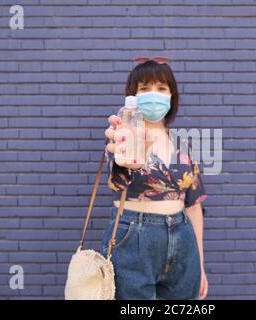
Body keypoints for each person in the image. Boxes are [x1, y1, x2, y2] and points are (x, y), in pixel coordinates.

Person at [101, 56, 208, 300]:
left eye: (161, 88)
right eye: (145, 88)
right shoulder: (122, 135)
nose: (153, 94)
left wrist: (200, 262)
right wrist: (125, 156)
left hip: (183, 239)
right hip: (134, 237)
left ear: (171, 96)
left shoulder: (184, 145)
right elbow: (118, 176)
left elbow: (194, 205)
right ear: (133, 95)